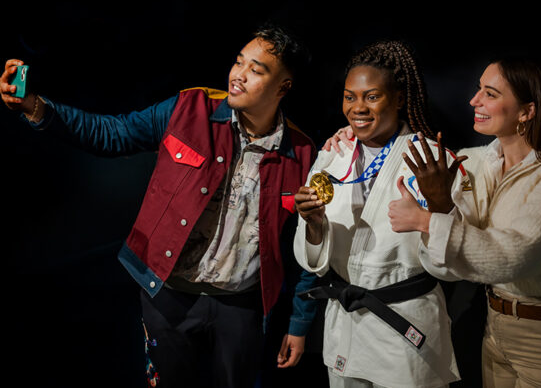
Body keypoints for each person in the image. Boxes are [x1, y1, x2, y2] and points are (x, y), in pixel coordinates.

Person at [1, 24, 320, 388]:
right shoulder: (189, 108)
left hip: (241, 305)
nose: (239, 75)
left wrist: (298, 322)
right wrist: (37, 108)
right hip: (168, 295)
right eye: (238, 62)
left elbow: (308, 245)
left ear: (284, 87)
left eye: (256, 70)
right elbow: (113, 133)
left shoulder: (304, 153)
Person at [385, 57, 541, 387]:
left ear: (527, 111)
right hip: (493, 330)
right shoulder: (470, 162)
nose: (474, 101)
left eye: (490, 93)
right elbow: (443, 269)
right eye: (477, 89)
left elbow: (510, 258)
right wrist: (440, 204)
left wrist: (428, 221)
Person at [292, 40, 468, 388]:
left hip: (405, 325)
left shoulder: (433, 162)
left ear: (399, 99)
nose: (358, 108)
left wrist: (439, 207)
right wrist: (314, 225)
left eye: (372, 96)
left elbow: (453, 267)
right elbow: (314, 259)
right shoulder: (333, 154)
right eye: (349, 96)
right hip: (348, 322)